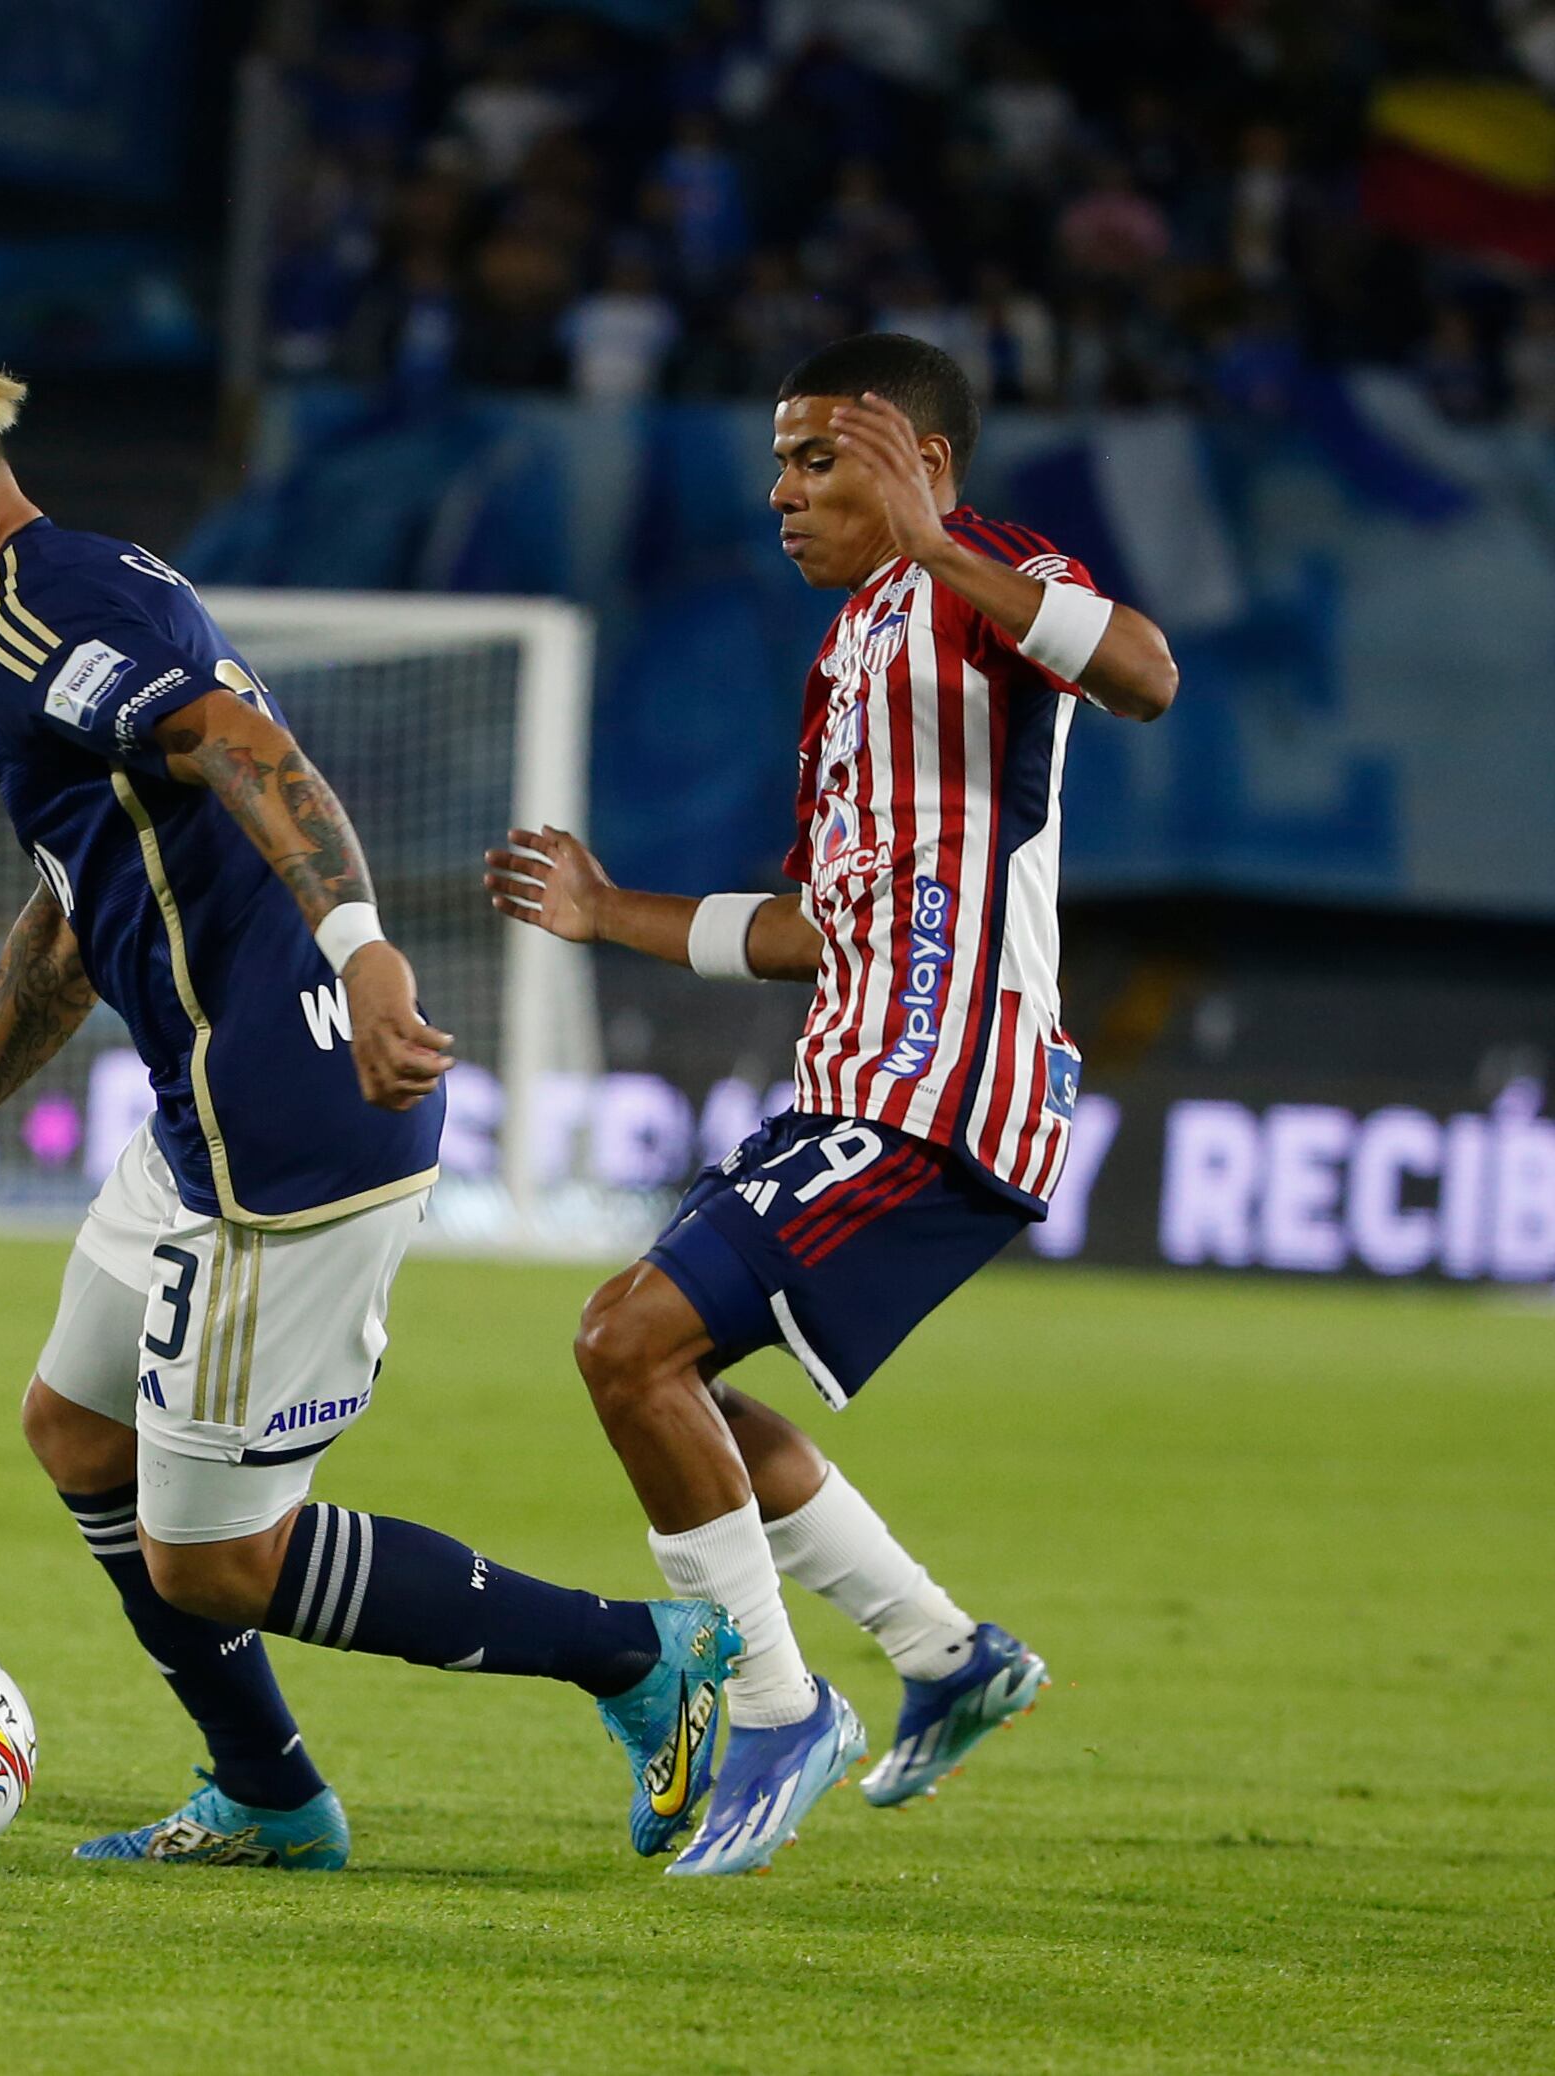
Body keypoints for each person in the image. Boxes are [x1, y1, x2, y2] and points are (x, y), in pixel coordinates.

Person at [0, 335, 735, 1872]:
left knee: (221, 1559)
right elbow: (77, 913)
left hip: (286, 1125)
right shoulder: (64, 601)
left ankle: (639, 1655)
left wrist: (361, 955)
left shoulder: (50, 618)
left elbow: (246, 748)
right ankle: (271, 1796)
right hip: (201, 1109)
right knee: (76, 1429)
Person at [487, 332, 1180, 1875]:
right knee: (684, 1397)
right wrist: (616, 915)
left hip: (948, 1088)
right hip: (855, 1080)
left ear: (922, 463)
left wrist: (942, 543)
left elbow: (1145, 673)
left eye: (818, 458)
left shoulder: (984, 567)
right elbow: (821, 922)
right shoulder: (851, 654)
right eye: (780, 461)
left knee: (625, 1337)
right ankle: (943, 1654)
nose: (782, 493)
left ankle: (779, 1708)